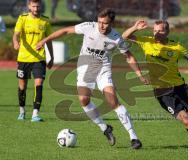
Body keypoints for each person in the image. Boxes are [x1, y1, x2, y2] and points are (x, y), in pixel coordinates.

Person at [36, 8, 148, 149]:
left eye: (105, 23)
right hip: (85, 68)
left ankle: (134, 138)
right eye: (99, 22)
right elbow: (65, 31)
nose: (101, 25)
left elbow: (129, 56)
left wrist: (139, 74)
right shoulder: (89, 27)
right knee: (83, 100)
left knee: (112, 100)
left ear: (111, 23)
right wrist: (44, 41)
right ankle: (105, 128)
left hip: (103, 70)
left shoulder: (116, 37)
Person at [122, 20, 188, 150]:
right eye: (154, 31)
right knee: (186, 121)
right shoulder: (147, 42)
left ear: (167, 32)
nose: (156, 34)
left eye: (160, 31)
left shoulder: (176, 47)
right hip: (162, 92)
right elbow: (124, 37)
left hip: (180, 87)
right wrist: (135, 27)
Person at [13, 0, 54, 122]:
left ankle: (35, 114)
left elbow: (49, 40)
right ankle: (22, 111)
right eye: (33, 6)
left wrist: (51, 57)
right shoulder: (23, 18)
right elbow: (16, 34)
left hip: (39, 58)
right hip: (23, 58)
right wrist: (15, 41)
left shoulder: (45, 20)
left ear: (41, 6)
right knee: (22, 86)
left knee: (39, 84)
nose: (36, 8)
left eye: (38, 6)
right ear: (29, 6)